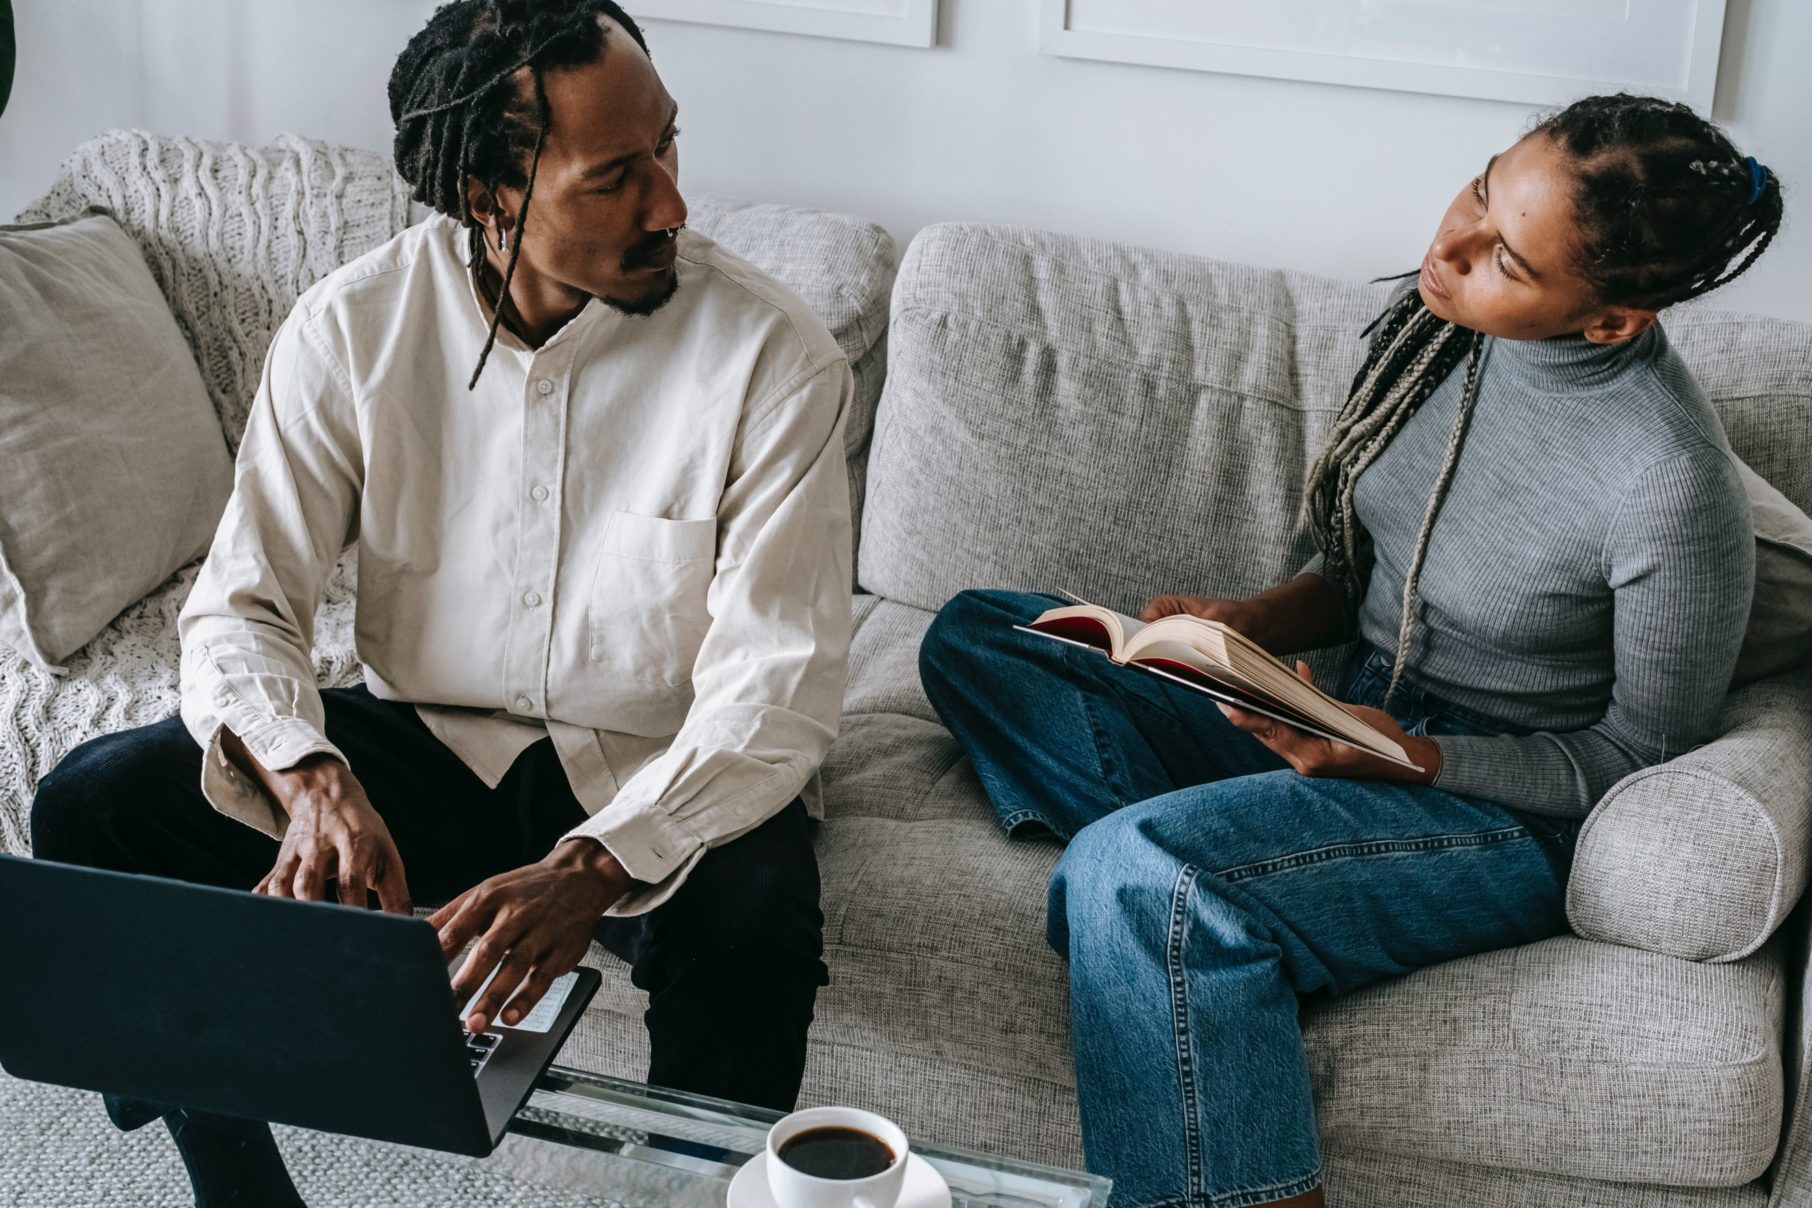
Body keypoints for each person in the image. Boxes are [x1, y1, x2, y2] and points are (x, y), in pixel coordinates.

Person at [29, 2, 853, 1204]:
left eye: (669, 149)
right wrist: (309, 775)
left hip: (653, 757)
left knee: (758, 913)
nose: (671, 201)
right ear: (488, 197)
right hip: (424, 734)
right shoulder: (350, 326)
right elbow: (237, 606)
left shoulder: (775, 361)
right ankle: (237, 1176)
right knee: (94, 804)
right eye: (617, 175)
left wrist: (593, 863)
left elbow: (775, 691)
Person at [918, 94, 1782, 1208]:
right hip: (1335, 714)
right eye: (1479, 188)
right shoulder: (1433, 333)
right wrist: (1248, 626)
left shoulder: (1670, 486)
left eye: (1507, 258)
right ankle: (1244, 908)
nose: (1449, 246)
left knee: (1144, 878)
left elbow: (1634, 760)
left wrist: (1408, 758)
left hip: (1495, 806)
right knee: (987, 635)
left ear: (1611, 318)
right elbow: (1354, 572)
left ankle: (1184, 899)